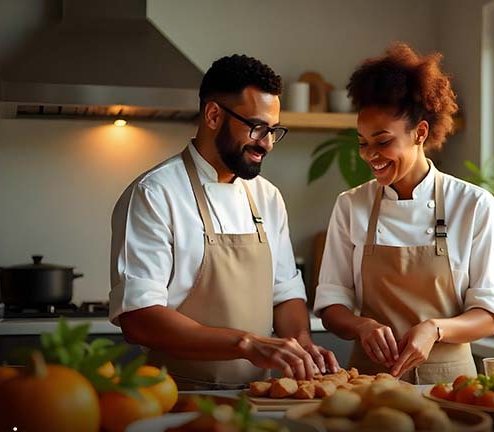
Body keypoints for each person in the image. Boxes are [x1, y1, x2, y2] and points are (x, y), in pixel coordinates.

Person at [110, 54, 340, 390]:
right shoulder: (155, 194)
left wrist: (301, 341)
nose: (268, 143)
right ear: (214, 114)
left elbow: (286, 294)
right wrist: (245, 343)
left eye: (274, 130)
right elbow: (139, 319)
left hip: (258, 399)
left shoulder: (267, 197)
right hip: (177, 396)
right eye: (257, 128)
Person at [314, 43, 494, 384]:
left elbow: (489, 314)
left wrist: (434, 329)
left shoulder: (473, 205)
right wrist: (362, 325)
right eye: (362, 142)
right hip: (369, 382)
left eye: (383, 141)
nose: (370, 155)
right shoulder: (351, 205)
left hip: (451, 385)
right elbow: (331, 305)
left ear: (420, 133)